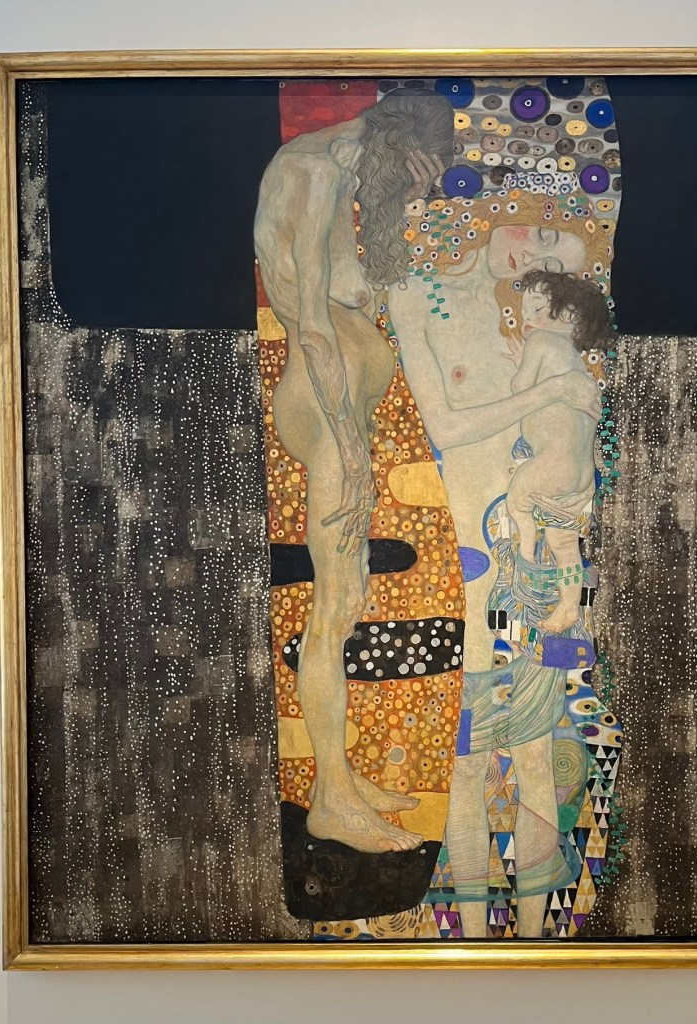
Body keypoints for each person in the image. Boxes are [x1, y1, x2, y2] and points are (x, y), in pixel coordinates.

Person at [387, 186, 612, 935]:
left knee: (540, 748)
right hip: (463, 562)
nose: (533, 259)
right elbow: (447, 426)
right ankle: (474, 938)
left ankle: (535, 944)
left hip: (535, 549)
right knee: (465, 756)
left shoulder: (530, 330)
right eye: (539, 236)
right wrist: (553, 389)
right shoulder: (416, 297)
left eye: (556, 265)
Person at [253, 90, 453, 853]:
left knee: (348, 601)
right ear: (394, 138)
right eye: (412, 170)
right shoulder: (310, 171)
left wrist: (408, 199)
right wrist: (350, 446)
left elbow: (354, 289)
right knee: (333, 608)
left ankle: (341, 777)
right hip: (324, 401)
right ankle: (330, 802)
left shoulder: (341, 171)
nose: (408, 187)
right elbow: (311, 326)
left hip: (342, 399)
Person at [505, 268, 615, 633]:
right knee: (564, 542)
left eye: (537, 308)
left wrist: (518, 364)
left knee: (518, 505)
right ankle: (568, 607)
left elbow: (521, 388)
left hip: (551, 466)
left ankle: (526, 547)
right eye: (524, 310)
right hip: (580, 476)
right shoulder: (580, 372)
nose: (527, 318)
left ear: (568, 316)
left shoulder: (541, 342)